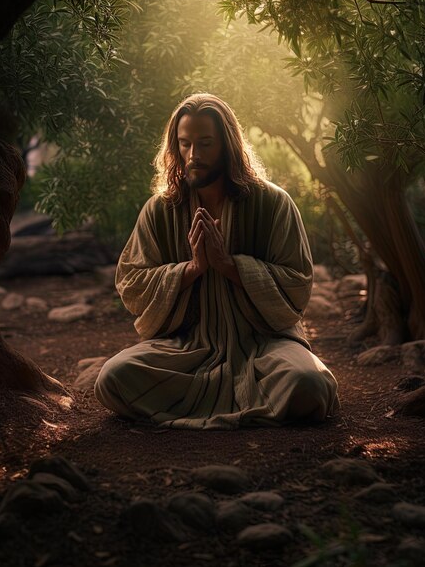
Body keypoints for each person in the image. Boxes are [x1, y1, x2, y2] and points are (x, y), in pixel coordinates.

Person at [94, 93, 340, 429]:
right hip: (185, 351)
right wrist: (191, 269)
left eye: (206, 144)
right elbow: (132, 282)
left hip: (265, 347)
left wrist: (229, 265)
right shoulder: (160, 210)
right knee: (112, 379)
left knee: (310, 385)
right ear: (175, 147)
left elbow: (297, 283)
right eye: (185, 144)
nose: (193, 155)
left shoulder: (273, 203)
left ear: (228, 145)